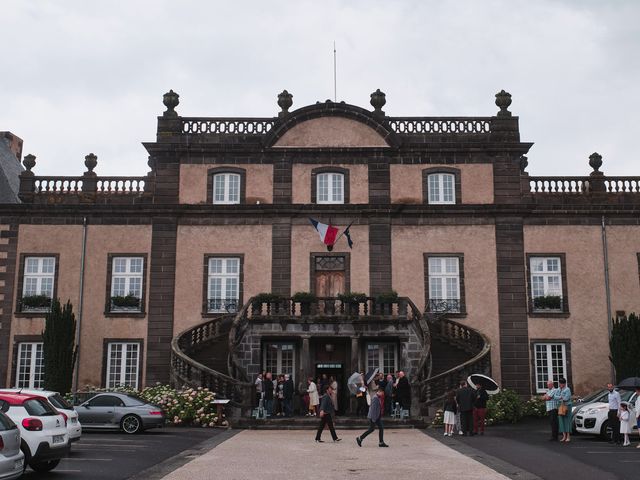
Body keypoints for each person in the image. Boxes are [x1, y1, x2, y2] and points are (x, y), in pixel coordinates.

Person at [553, 377, 572, 442]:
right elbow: (555, 397)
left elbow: (566, 398)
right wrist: (561, 397)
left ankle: (568, 436)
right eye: (560, 383)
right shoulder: (558, 389)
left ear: (564, 384)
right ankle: (564, 436)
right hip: (560, 406)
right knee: (561, 421)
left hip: (567, 406)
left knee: (567, 421)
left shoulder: (567, 389)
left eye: (561, 383)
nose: (560, 384)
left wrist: (560, 397)